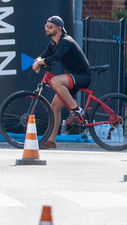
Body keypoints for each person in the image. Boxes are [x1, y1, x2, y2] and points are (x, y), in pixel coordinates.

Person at [32, 15, 91, 149]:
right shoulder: (53, 43)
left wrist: (41, 62)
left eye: (49, 26)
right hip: (72, 76)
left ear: (58, 28)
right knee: (54, 107)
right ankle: (51, 141)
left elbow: (56, 57)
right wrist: (37, 61)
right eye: (45, 26)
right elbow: (44, 55)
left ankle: (76, 111)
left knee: (56, 81)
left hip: (82, 76)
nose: (46, 29)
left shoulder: (66, 41)